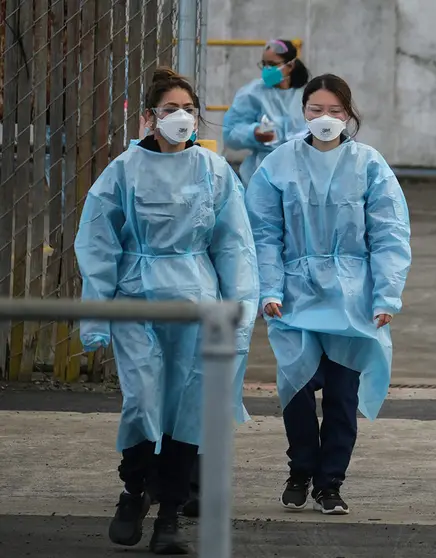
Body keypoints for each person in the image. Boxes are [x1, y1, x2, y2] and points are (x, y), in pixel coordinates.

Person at [75, 67, 259, 554]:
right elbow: (97, 245)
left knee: (188, 408)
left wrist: (237, 317)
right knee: (142, 396)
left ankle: (171, 515)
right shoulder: (123, 171)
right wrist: (96, 314)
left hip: (196, 302)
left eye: (188, 109)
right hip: (136, 298)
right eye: (170, 109)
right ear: (149, 118)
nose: (180, 118)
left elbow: (235, 249)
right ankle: (134, 492)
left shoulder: (215, 172)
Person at [246, 74, 412, 515]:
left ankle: (330, 482)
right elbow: (263, 233)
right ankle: (300, 469)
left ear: (349, 115)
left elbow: (390, 235)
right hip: (294, 297)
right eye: (316, 110)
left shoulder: (370, 164)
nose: (325, 119)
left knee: (342, 394)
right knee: (296, 386)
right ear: (302, 113)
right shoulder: (278, 164)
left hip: (350, 298)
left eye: (335, 111)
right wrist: (269, 289)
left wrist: (386, 296)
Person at [223, 39, 310, 185]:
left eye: (273, 64)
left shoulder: (307, 94)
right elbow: (230, 133)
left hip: (302, 173)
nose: (267, 69)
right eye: (264, 64)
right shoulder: (252, 93)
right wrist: (253, 133)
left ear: (290, 65)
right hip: (262, 173)